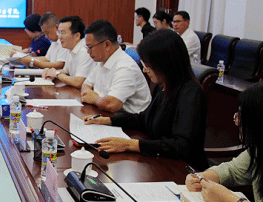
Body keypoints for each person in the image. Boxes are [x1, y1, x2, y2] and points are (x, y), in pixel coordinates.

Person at [85, 30, 208, 169]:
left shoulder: (191, 93)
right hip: (160, 161)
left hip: (185, 170)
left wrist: (129, 144)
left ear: (165, 63)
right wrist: (108, 120)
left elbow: (181, 146)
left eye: (148, 65)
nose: (144, 70)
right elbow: (144, 119)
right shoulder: (164, 86)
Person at [80, 20, 151, 114]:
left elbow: (112, 104)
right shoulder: (102, 61)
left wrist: (94, 98)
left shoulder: (125, 67)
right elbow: (85, 85)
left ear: (107, 45)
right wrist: (94, 97)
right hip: (107, 114)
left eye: (90, 47)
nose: (88, 52)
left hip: (130, 120)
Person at [42, 15, 96, 89]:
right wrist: (50, 72)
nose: (59, 37)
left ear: (77, 36)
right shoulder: (70, 49)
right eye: (59, 33)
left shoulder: (85, 51)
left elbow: (78, 82)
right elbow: (66, 71)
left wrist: (57, 74)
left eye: (63, 33)